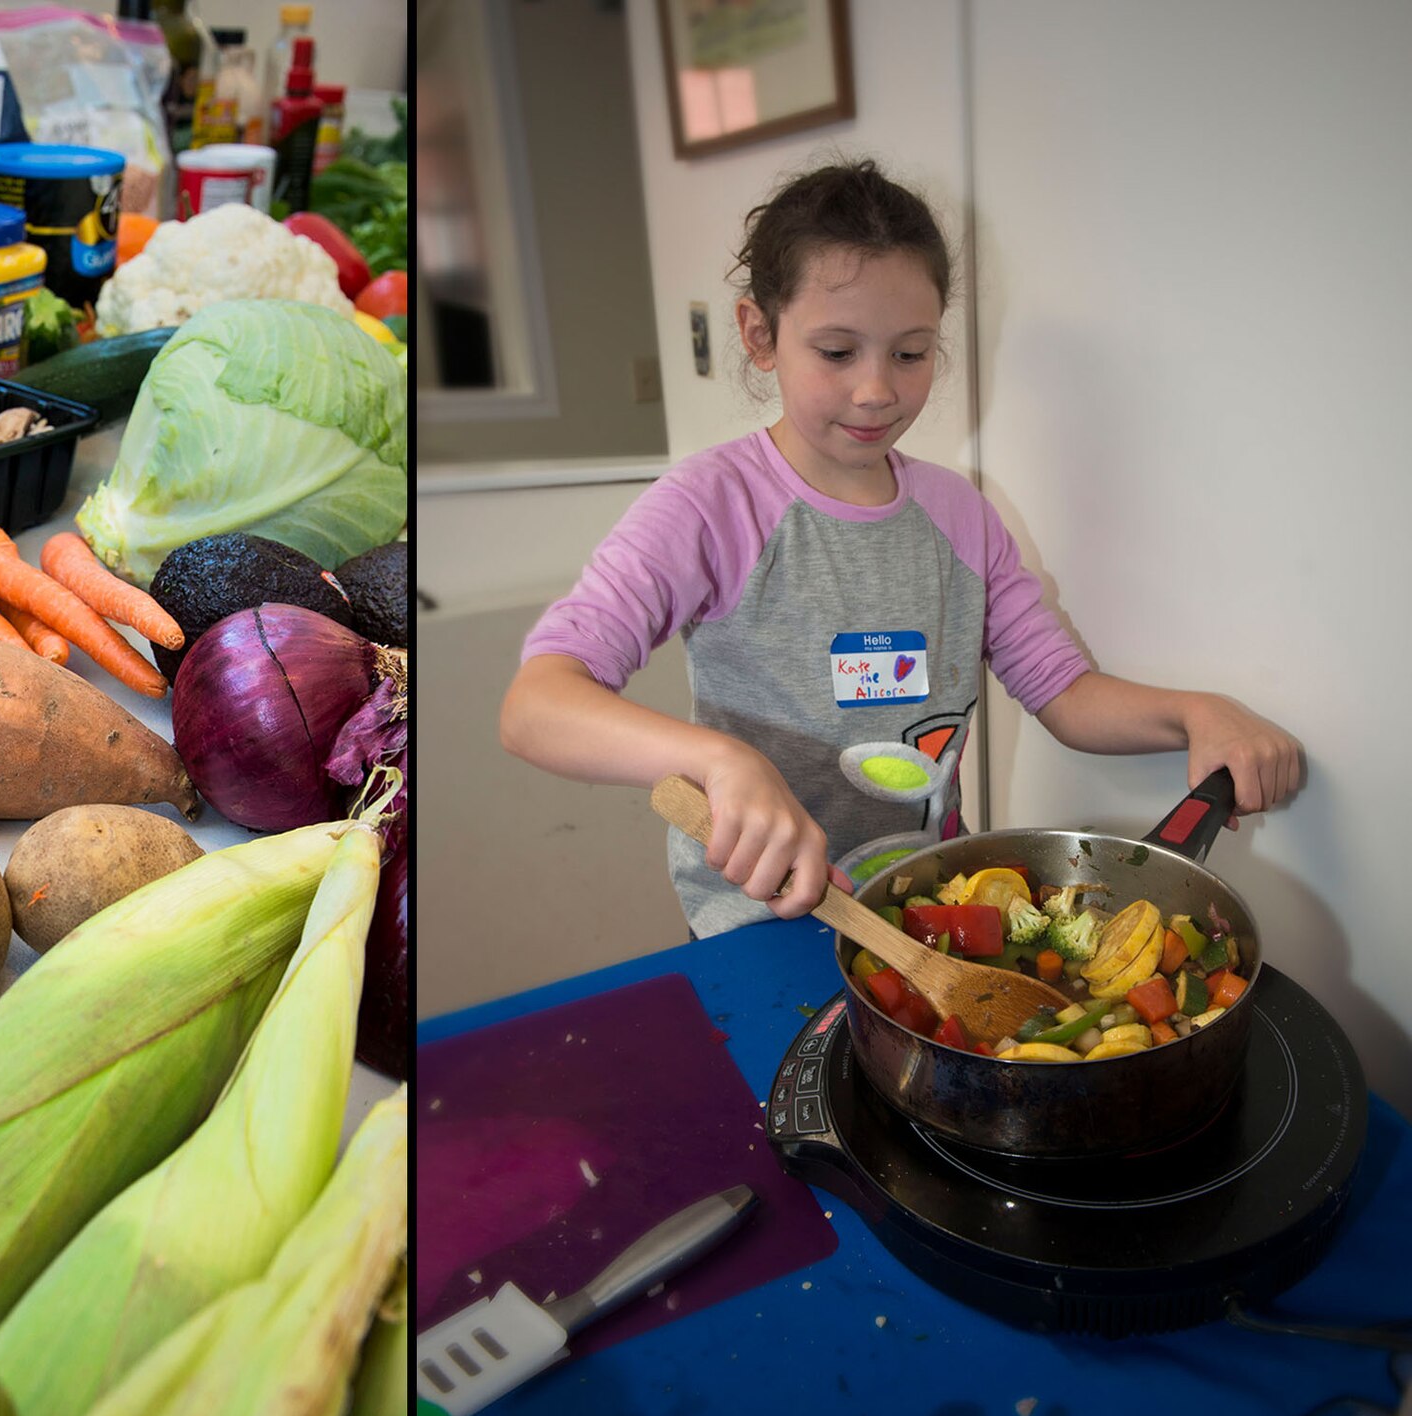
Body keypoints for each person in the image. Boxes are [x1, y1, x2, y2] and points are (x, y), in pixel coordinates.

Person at [499, 158, 1301, 938]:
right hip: (760, 924)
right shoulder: (711, 506)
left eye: (910, 353)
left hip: (928, 920)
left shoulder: (960, 516)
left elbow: (1065, 691)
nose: (877, 388)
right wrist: (719, 761)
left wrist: (1199, 712)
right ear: (760, 333)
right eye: (838, 351)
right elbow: (538, 703)